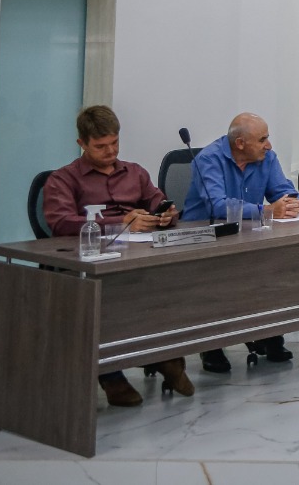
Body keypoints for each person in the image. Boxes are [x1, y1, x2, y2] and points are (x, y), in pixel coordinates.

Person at [43, 105, 192, 407]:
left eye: (114, 143)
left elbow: (160, 202)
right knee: (112, 295)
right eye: (100, 146)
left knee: (173, 282)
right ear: (81, 144)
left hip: (140, 253)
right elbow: (60, 222)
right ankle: (112, 375)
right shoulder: (63, 180)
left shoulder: (135, 173)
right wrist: (115, 223)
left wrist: (166, 216)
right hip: (91, 258)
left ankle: (165, 354)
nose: (110, 151)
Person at [183, 112, 299, 373]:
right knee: (218, 275)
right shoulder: (209, 159)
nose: (268, 145)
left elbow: (285, 191)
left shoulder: (266, 158)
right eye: (262, 139)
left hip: (250, 235)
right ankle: (211, 343)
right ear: (240, 144)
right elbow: (217, 206)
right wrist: (267, 210)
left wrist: (293, 202)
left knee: (276, 265)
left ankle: (268, 332)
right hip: (204, 238)